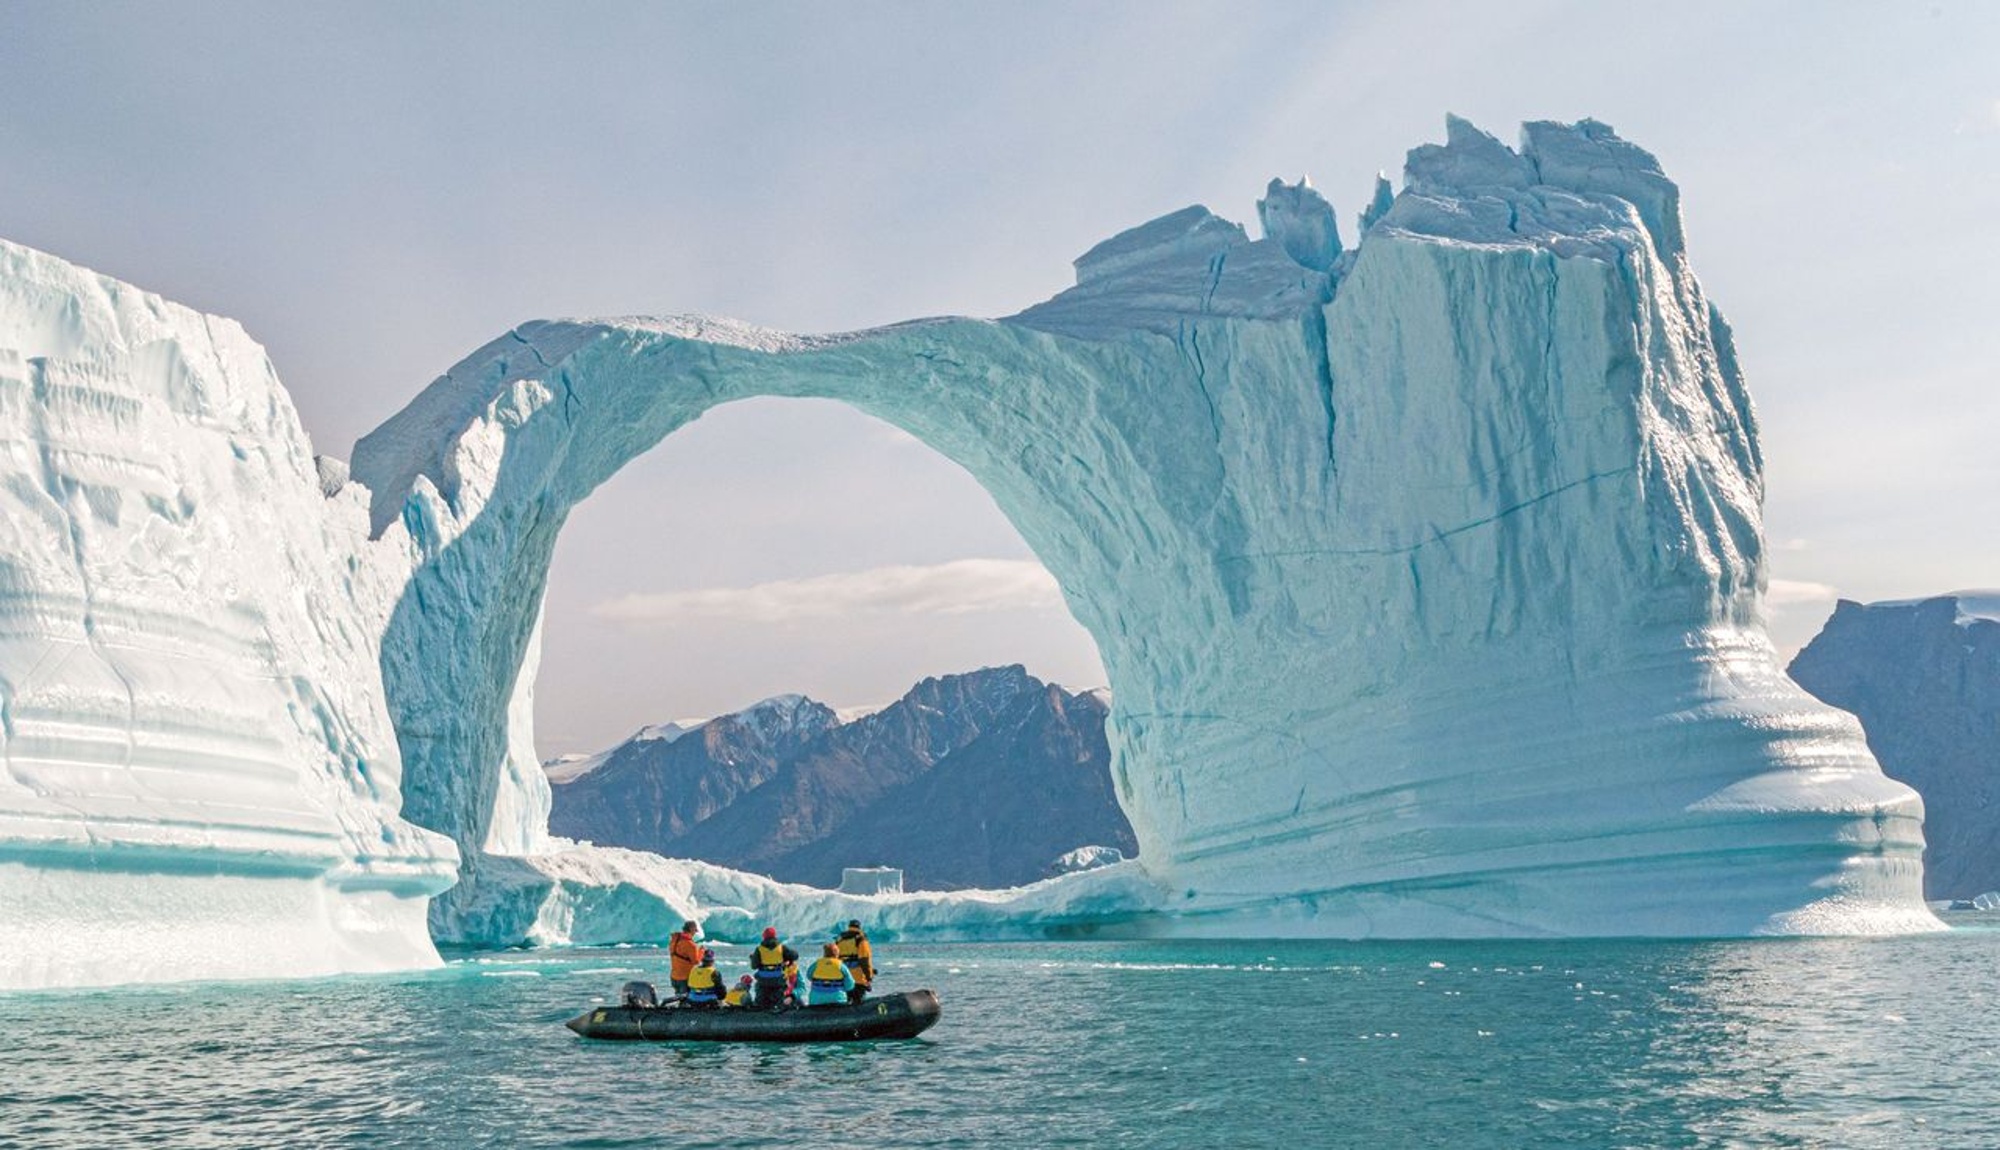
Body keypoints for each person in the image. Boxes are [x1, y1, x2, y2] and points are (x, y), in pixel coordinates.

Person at [749, 926, 798, 1009]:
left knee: (761, 995)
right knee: (780, 995)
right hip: (778, 980)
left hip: (763, 981)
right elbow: (794, 956)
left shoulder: (759, 949)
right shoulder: (781, 948)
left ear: (764, 936)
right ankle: (780, 1008)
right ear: (775, 936)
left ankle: (760, 1007)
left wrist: (753, 958)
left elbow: (754, 966)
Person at [801, 943, 856, 1007]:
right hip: (837, 999)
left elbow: (808, 975)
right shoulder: (841, 966)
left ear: (824, 954)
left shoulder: (817, 964)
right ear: (837, 954)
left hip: (816, 999)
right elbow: (850, 985)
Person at [835, 919, 875, 1004]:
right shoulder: (861, 940)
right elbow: (864, 961)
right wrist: (869, 977)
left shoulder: (840, 940)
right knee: (859, 1003)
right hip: (858, 979)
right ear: (859, 927)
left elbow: (835, 959)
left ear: (849, 927)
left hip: (844, 978)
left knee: (846, 1002)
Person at [667, 920, 701, 996]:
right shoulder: (691, 945)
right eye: (695, 931)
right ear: (692, 930)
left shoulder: (674, 940)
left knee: (678, 998)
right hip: (685, 978)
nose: (695, 933)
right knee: (686, 1001)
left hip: (674, 977)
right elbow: (695, 961)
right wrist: (701, 952)